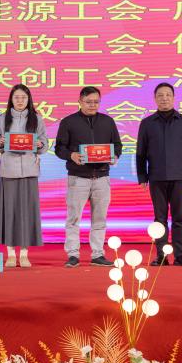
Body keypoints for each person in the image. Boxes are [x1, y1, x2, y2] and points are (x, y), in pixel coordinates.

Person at [54, 86, 122, 268]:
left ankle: (98, 254)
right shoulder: (68, 122)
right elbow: (59, 148)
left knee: (100, 219)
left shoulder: (108, 121)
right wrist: (71, 155)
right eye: (88, 102)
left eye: (96, 102)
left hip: (102, 178)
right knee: (73, 219)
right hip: (78, 178)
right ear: (80, 101)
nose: (92, 105)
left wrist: (115, 156)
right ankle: (73, 254)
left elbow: (117, 145)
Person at [136, 82, 182, 267]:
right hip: (156, 178)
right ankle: (161, 256)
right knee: (159, 219)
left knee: (179, 218)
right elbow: (140, 153)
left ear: (173, 98)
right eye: (160, 95)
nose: (164, 98)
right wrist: (142, 176)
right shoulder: (147, 123)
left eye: (168, 95)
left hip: (179, 178)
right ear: (155, 99)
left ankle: (180, 256)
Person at [0, 84, 48, 268]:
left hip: (29, 171)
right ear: (11, 99)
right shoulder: (2, 118)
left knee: (26, 213)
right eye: (17, 97)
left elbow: (45, 143)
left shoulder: (36, 119)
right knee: (10, 213)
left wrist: (39, 144)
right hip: (8, 171)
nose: (20, 101)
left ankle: (24, 254)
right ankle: (10, 254)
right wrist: (0, 143)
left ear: (28, 99)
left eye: (23, 97)